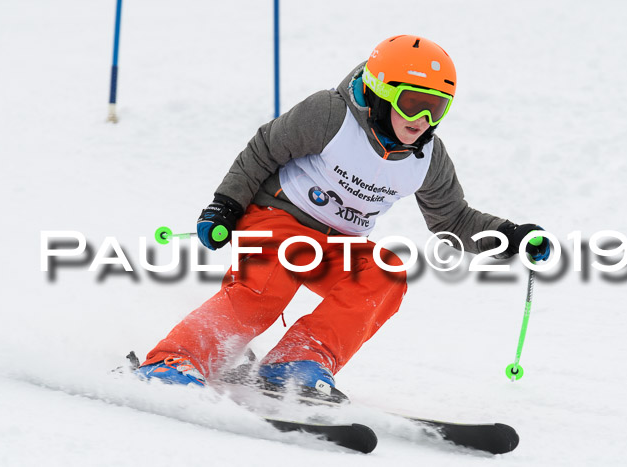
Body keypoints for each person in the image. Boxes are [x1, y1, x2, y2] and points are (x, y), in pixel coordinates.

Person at [137, 35, 550, 401]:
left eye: (436, 108)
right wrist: (225, 205)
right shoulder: (330, 115)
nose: (421, 120)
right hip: (277, 219)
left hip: (340, 242)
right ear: (381, 91)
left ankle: (296, 363)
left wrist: (508, 236)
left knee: (387, 273)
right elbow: (264, 150)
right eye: (412, 103)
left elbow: (454, 220)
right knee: (267, 287)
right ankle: (174, 361)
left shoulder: (428, 159)